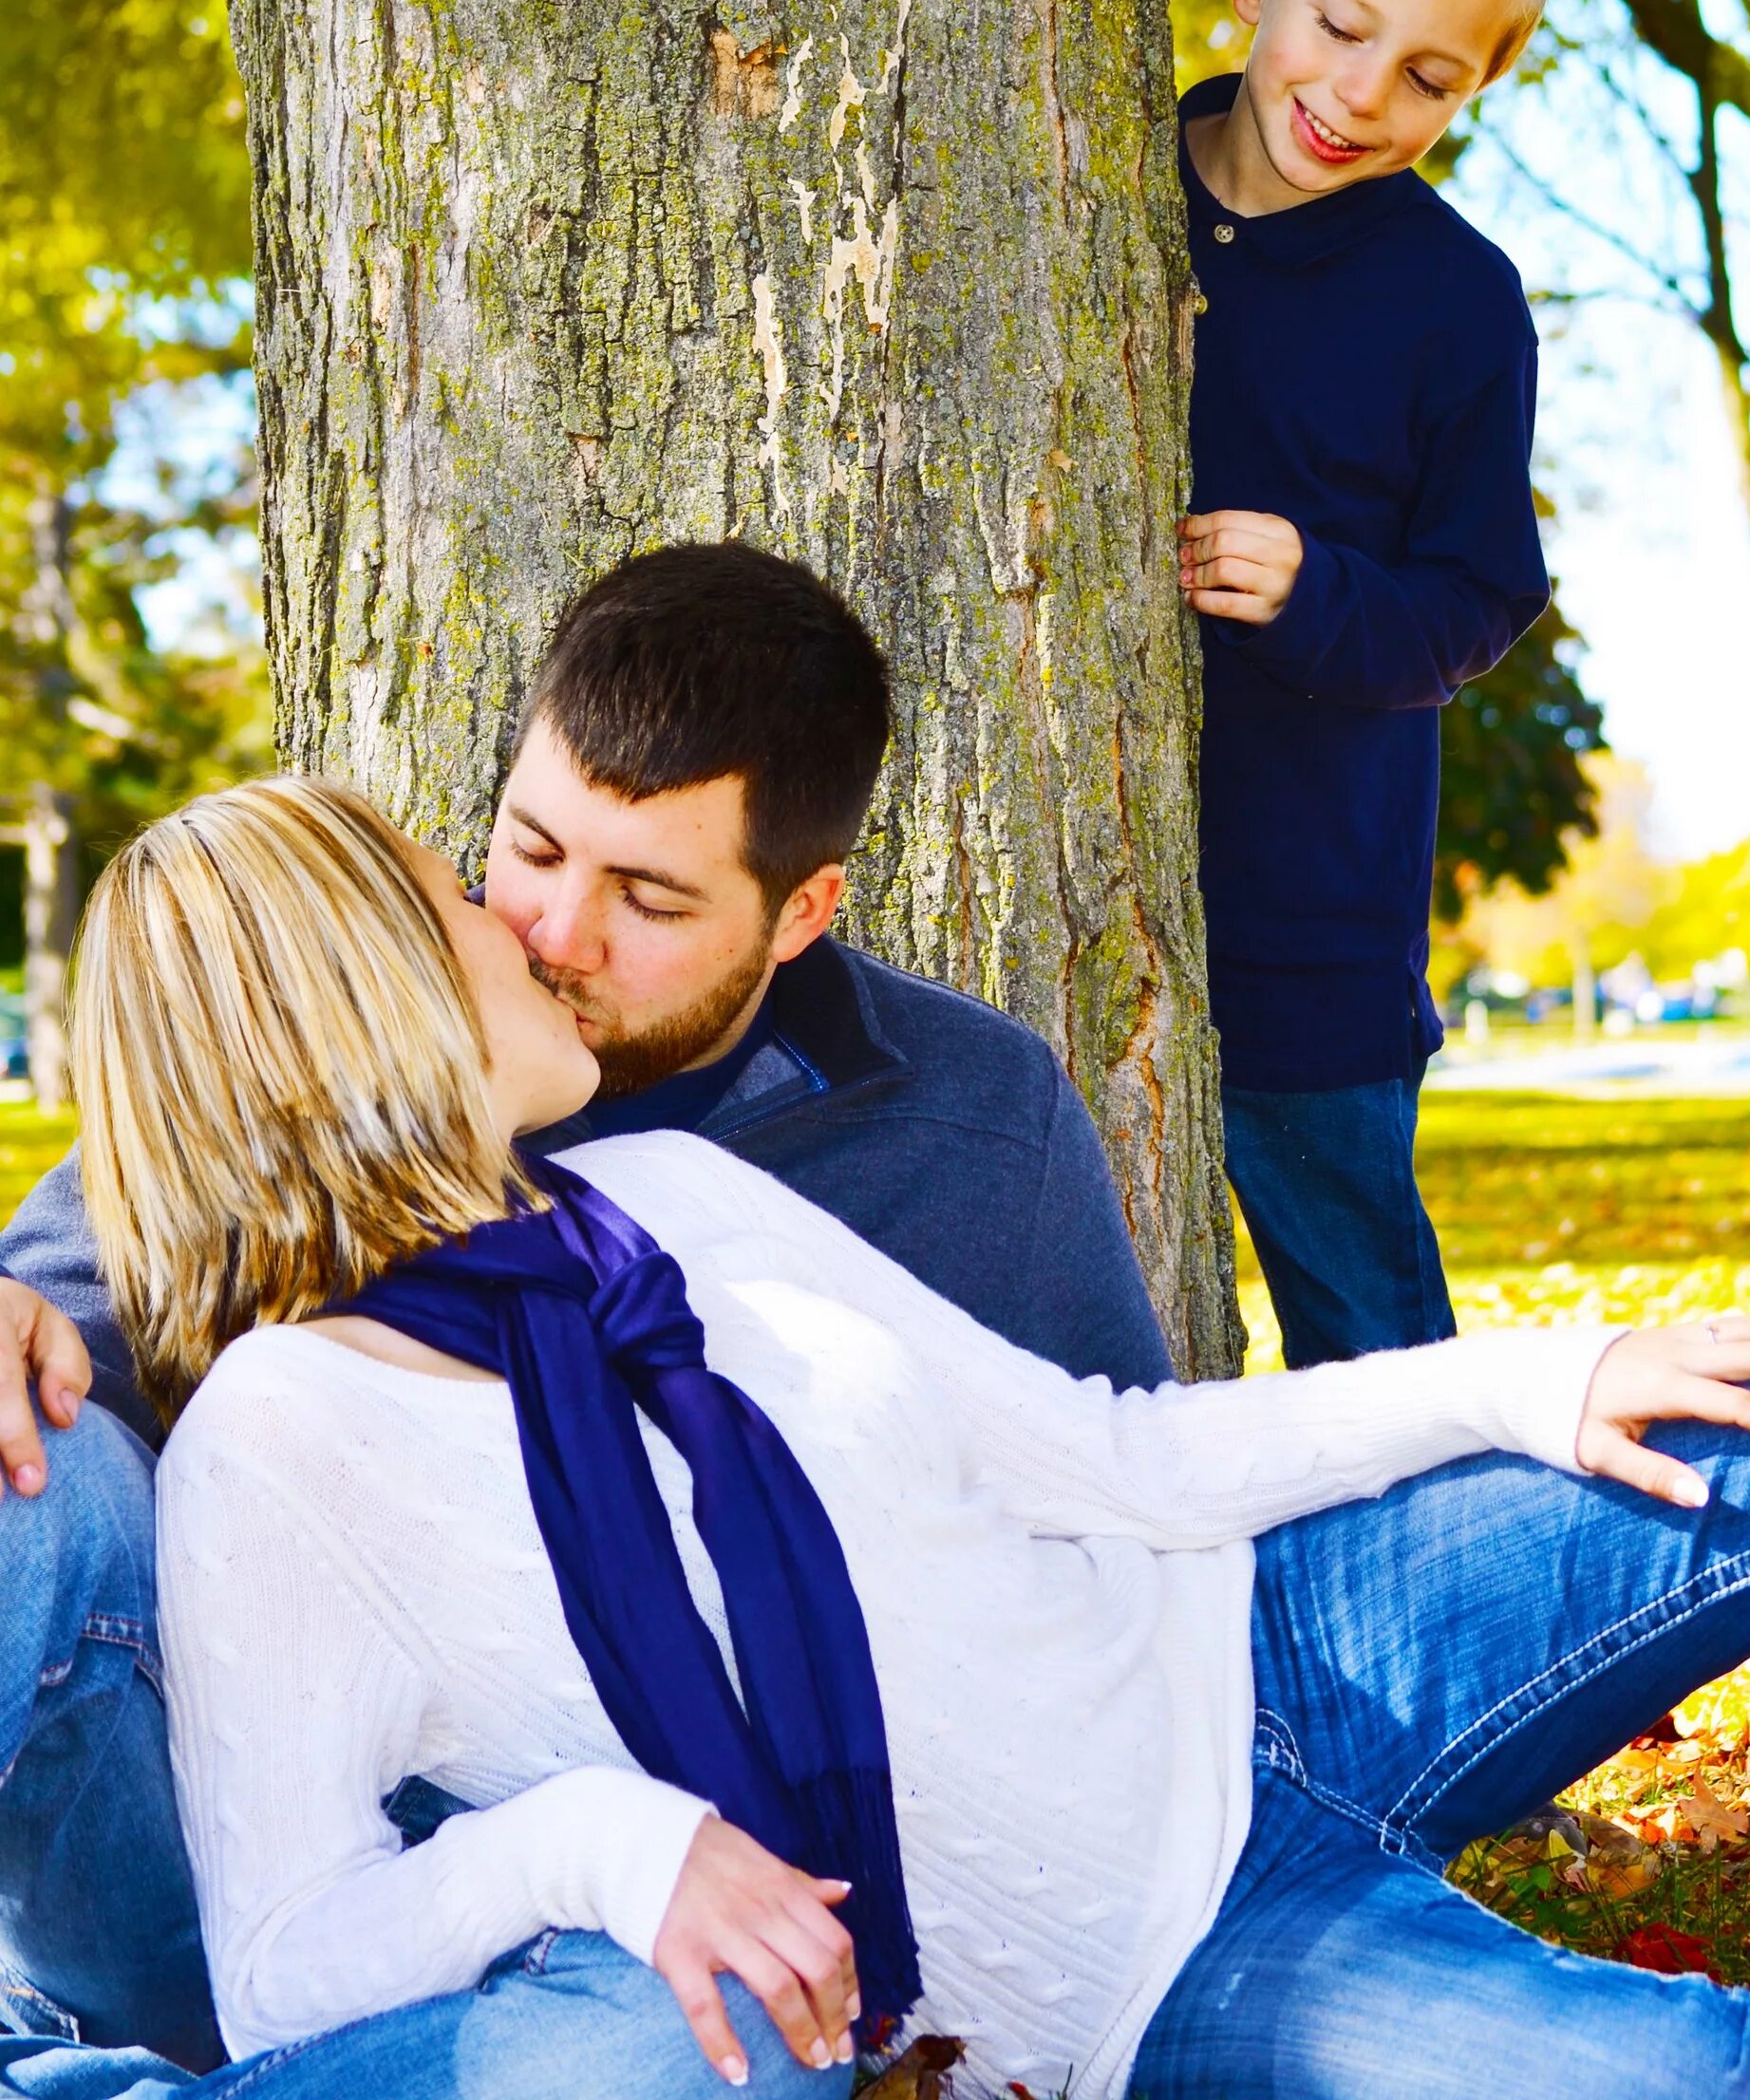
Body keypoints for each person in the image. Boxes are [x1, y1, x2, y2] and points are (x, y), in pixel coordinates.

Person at [70, 772, 1750, 2100]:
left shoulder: (662, 1196)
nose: (534, 933)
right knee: (1712, 2081)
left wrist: (1533, 1382)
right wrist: (598, 1842)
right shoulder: (279, 1451)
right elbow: (283, 1972)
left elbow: (1105, 1452)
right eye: (463, 911)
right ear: (356, 1010)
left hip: (1261, 1639)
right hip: (1173, 1964)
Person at [0, 542, 1169, 2083]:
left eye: (650, 897)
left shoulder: (972, 1125)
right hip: (234, 1871)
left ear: (799, 909)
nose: (553, 931)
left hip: (628, 1947)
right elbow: (69, 1326)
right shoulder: (357, 1036)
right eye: (528, 850)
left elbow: (1123, 1535)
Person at [1176, 0, 1555, 1368]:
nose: (1359, 93)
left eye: (1426, 76)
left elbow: (1482, 599)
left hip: (1310, 933)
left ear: (1481, 85)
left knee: (1371, 1343)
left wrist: (1320, 589)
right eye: (1341, 25)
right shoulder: (1086, 175)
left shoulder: (1457, 305)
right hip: (1084, 878)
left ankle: (1440, 1587)